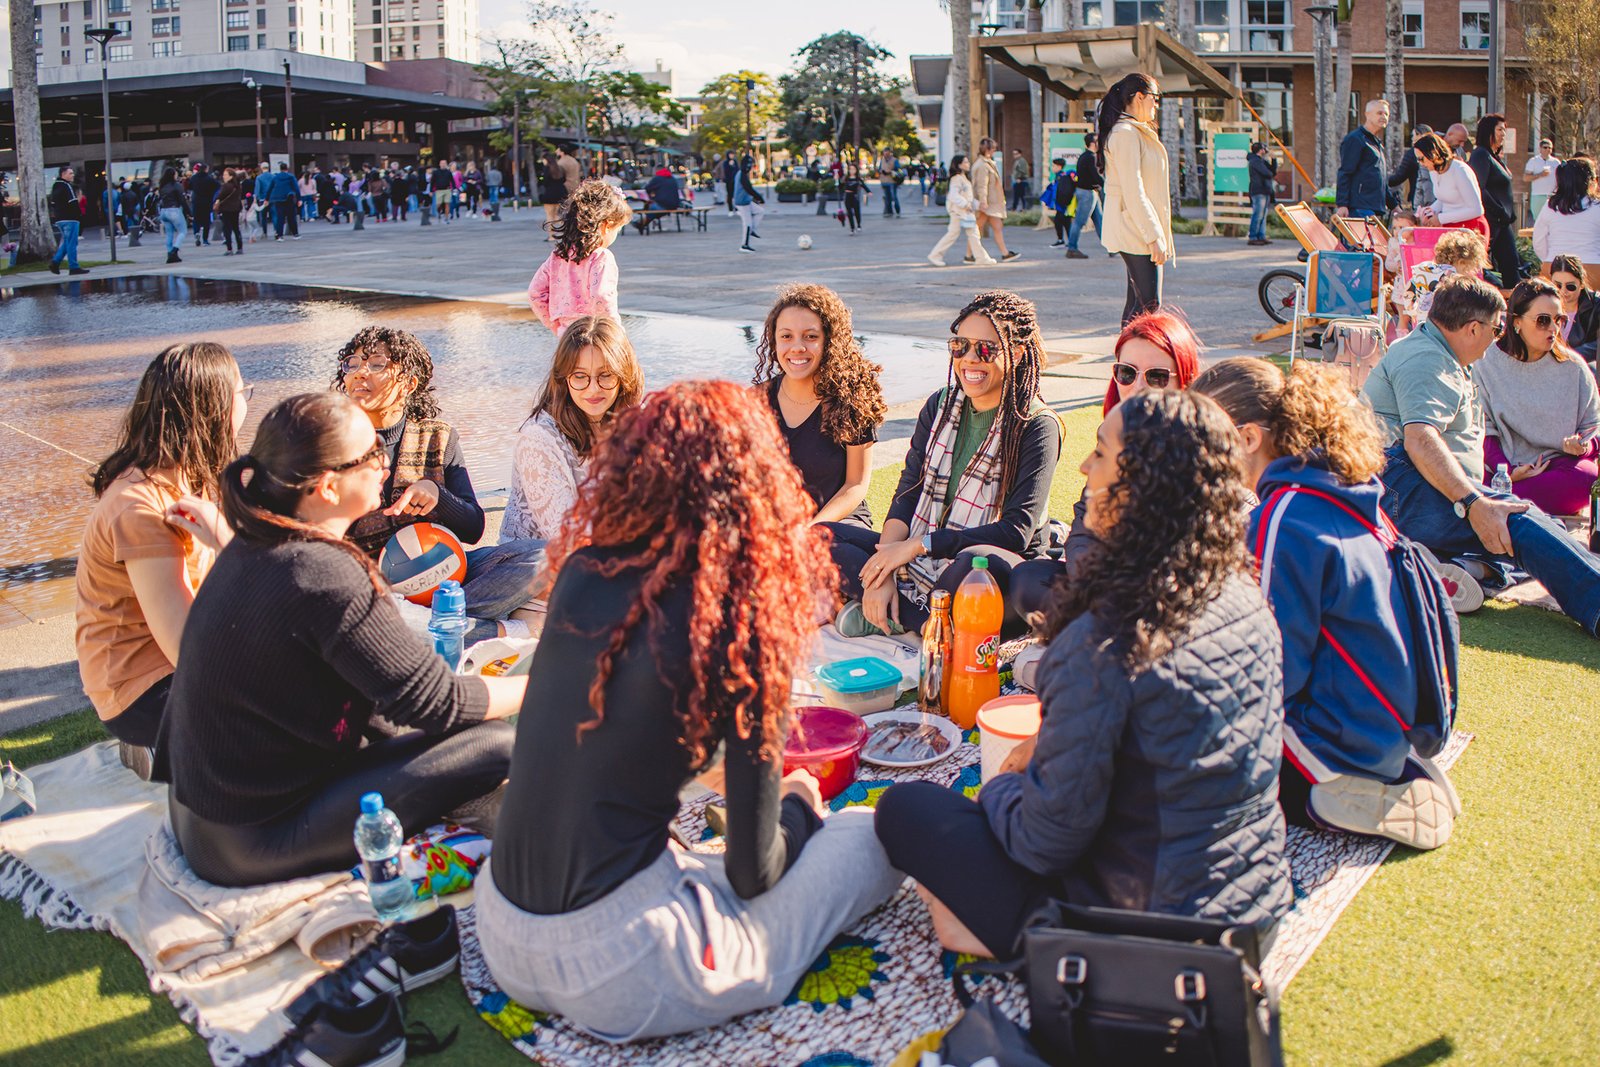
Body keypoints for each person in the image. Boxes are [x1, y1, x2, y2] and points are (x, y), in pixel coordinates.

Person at [476, 381, 902, 1041]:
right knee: (876, 832)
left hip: (501, 927)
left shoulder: (583, 571)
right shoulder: (738, 622)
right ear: (756, 489)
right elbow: (754, 872)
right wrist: (797, 805)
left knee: (686, 860)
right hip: (624, 968)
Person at [874, 389, 1291, 960]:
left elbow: (1043, 842)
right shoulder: (1244, 596)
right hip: (1252, 912)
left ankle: (1005, 934)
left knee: (909, 808)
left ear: (1139, 483)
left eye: (1100, 453)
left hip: (1151, 935)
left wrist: (1001, 787)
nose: (1084, 469)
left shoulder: (1106, 636)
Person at [155, 392, 521, 887]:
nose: (385, 463)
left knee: (413, 730)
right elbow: (441, 704)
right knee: (495, 743)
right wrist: (548, 683)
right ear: (328, 486)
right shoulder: (324, 571)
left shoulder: (257, 541)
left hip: (201, 819)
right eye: (372, 455)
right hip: (253, 840)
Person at [1191, 358, 1461, 848]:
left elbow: (1268, 670)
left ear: (1247, 438)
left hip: (1330, 740)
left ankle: (1330, 790)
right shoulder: (1344, 492)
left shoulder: (1282, 515)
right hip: (1384, 729)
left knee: (1178, 750)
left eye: (1203, 439)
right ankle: (1393, 773)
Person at [1361, 276, 1600, 634]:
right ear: (1473, 328)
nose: (1498, 338)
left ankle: (1450, 566)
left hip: (1403, 481)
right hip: (1396, 481)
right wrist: (1475, 503)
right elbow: (1420, 440)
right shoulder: (1428, 359)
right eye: (1497, 328)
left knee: (1536, 528)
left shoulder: (1439, 351)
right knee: (1515, 522)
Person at [827, 290, 1060, 638]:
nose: (969, 359)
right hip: (924, 553)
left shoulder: (1036, 425)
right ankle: (918, 618)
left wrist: (919, 546)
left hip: (996, 567)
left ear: (1016, 353)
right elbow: (908, 491)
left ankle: (898, 614)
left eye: (986, 349)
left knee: (974, 565)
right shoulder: (940, 406)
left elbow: (1016, 531)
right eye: (959, 346)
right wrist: (883, 568)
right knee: (821, 537)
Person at [75, 343, 247, 778]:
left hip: (177, 666)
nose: (246, 404)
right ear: (215, 409)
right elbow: (184, 648)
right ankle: (161, 749)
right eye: (242, 393)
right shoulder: (139, 507)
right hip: (142, 690)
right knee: (289, 717)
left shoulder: (188, 479)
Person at [333, 327, 547, 642]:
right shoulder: (332, 442)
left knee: (545, 557)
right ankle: (497, 630)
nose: (359, 373)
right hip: (371, 587)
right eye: (352, 364)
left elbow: (473, 529)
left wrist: (438, 496)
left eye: (376, 364)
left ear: (408, 383)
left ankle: (418, 630)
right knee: (350, 607)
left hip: (447, 575)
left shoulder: (438, 436)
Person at [1010, 309, 1202, 621]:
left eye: (1156, 377)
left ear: (1185, 381)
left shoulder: (1198, 449)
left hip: (1162, 591)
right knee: (1026, 578)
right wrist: (1093, 580)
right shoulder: (1115, 433)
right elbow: (1084, 524)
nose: (1138, 388)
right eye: (1127, 373)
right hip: (1103, 579)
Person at [501, 316, 644, 545]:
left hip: (612, 549)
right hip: (538, 557)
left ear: (624, 376)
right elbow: (567, 538)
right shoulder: (538, 438)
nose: (593, 388)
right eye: (580, 376)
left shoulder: (637, 427)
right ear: (563, 378)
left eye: (605, 375)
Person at [754, 284, 886, 526]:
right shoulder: (754, 401)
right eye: (786, 336)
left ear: (829, 341)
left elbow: (855, 485)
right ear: (774, 341)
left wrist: (810, 529)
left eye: (811, 336)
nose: (797, 347)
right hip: (777, 527)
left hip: (838, 523)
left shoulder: (851, 399)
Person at [1474, 277, 1600, 516]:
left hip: (1558, 465)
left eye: (1559, 320)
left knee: (1586, 478)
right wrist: (1508, 471)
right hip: (1501, 466)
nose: (1553, 328)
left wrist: (1582, 447)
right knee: (1465, 471)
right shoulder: (1486, 361)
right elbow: (1483, 430)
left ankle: (1495, 500)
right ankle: (1500, 497)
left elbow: (1594, 431)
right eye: (1543, 320)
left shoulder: (1573, 367)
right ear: (1517, 322)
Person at [1100, 74, 1171, 324]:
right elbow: (1133, 189)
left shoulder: (1133, 132)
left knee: (1139, 305)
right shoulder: (1126, 134)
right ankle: (1134, 349)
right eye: (1155, 98)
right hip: (1134, 227)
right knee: (1148, 306)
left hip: (1135, 225)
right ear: (1140, 97)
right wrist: (1153, 235)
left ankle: (1127, 350)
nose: (1156, 105)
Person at [528, 180, 629, 338]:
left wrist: (555, 325)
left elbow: (535, 292)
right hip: (595, 335)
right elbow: (601, 297)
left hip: (566, 335)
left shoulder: (558, 256)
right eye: (617, 229)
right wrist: (614, 330)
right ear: (606, 226)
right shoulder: (601, 257)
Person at [1468, 113, 1524, 286]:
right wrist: (1498, 210)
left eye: (1505, 130)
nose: (1503, 134)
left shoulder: (1494, 156)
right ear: (1488, 131)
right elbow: (1479, 188)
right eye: (1500, 130)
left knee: (1511, 264)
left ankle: (1514, 298)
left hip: (1502, 221)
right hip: (1491, 220)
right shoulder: (1480, 155)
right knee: (1481, 264)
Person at [1396, 230, 1489, 333]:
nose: (1471, 273)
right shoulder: (1456, 280)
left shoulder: (1424, 269)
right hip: (1447, 328)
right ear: (1461, 262)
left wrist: (1412, 311)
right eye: (1469, 269)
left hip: (1423, 326)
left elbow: (1408, 293)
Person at [1414, 131, 1488, 241]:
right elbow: (1444, 198)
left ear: (1434, 154)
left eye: (1421, 159)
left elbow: (1476, 209)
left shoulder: (1460, 170)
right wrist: (1429, 211)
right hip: (1450, 228)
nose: (1420, 163)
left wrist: (1440, 218)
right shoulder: (1434, 171)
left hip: (1471, 228)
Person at [927, 155, 995, 267]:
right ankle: (935, 255)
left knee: (973, 234)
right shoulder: (957, 179)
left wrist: (978, 205)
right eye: (965, 162)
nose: (968, 164)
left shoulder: (963, 178)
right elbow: (953, 195)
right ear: (959, 165)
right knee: (954, 234)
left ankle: (981, 258)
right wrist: (966, 204)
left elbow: (968, 197)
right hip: (958, 212)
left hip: (965, 212)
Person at [1531, 156, 1600, 266]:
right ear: (1590, 181)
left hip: (1555, 265)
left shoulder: (1550, 206)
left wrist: (1549, 259)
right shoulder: (1596, 207)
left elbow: (1538, 241)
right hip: (1592, 265)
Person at [1336, 99, 1393, 220]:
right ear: (1367, 114)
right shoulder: (1355, 139)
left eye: (1386, 114)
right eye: (1379, 113)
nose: (1384, 117)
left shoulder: (1376, 143)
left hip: (1374, 207)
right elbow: (1345, 172)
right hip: (1359, 207)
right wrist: (1342, 204)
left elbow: (1380, 179)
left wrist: (1394, 205)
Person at [1549, 253, 1600, 365]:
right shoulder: (1543, 304)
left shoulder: (1596, 305)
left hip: (1583, 366)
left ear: (1581, 284)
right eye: (1558, 285)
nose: (1563, 291)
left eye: (1570, 286)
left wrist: (1569, 356)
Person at [972, 138, 1017, 262]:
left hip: (991, 203)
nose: (994, 151)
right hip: (988, 203)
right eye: (993, 148)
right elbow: (982, 185)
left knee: (995, 227)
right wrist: (983, 201)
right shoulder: (983, 165)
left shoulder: (985, 163)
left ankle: (1005, 253)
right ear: (987, 149)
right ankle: (970, 254)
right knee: (977, 229)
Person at [1066, 132, 1105, 260]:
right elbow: (1095, 176)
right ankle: (1072, 248)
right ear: (1093, 143)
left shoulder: (1084, 156)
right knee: (1079, 221)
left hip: (1088, 192)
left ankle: (1110, 247)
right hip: (1087, 193)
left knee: (1099, 221)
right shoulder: (1090, 157)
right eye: (1098, 141)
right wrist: (1106, 185)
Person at [48, 166, 87, 276]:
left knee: (67, 242)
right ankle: (73, 267)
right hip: (71, 218)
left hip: (60, 219)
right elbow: (73, 201)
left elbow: (52, 203)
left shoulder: (55, 186)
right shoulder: (67, 185)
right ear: (63, 174)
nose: (72, 175)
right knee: (72, 243)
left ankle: (55, 262)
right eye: (70, 173)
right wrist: (78, 214)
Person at [1388, 124, 1436, 210]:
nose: (1412, 138)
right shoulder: (1436, 152)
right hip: (1437, 197)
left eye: (1413, 135)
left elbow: (1399, 177)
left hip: (1420, 197)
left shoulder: (1413, 154)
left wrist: (1382, 181)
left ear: (1419, 135)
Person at [633, 166, 683, 233]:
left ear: (657, 170)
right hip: (675, 204)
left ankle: (641, 223)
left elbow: (648, 188)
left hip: (663, 204)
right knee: (655, 209)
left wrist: (652, 194)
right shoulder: (672, 178)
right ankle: (641, 223)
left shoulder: (657, 178)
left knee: (651, 208)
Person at [157, 167, 190, 265]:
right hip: (174, 210)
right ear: (173, 175)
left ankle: (170, 254)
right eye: (176, 174)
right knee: (183, 231)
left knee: (169, 234)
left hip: (164, 211)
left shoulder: (162, 186)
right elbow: (182, 200)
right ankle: (174, 251)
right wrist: (189, 212)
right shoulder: (176, 186)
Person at [1247, 141, 1278, 245]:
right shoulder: (1255, 161)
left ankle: (1261, 236)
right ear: (1260, 150)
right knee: (1258, 214)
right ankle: (1253, 237)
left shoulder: (1261, 161)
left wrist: (1274, 160)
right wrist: (1270, 173)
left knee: (1263, 215)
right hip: (1258, 191)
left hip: (1265, 190)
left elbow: (1273, 172)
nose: (1266, 150)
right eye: (1264, 148)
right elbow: (1267, 173)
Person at [733, 156, 766, 254]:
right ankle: (744, 245)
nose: (751, 167)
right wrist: (759, 198)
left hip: (746, 201)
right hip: (742, 203)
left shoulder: (741, 173)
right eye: (750, 165)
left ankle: (752, 230)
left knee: (760, 211)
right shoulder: (742, 175)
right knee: (747, 224)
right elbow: (748, 188)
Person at [1525, 138, 1562, 221]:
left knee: (1552, 220)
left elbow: (1560, 178)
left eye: (1550, 148)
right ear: (1540, 149)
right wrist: (1540, 175)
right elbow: (1526, 178)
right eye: (1545, 147)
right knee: (1538, 220)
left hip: (1552, 196)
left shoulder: (1556, 162)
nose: (1548, 149)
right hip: (1538, 195)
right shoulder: (1533, 161)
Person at [1044, 157, 1075, 248]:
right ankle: (1068, 241)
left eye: (1054, 166)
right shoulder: (1059, 177)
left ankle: (1063, 241)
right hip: (1062, 205)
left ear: (1059, 166)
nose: (1052, 168)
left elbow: (1063, 191)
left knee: (1061, 221)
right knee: (1065, 222)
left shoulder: (1063, 177)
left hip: (1063, 205)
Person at [537, 152, 566, 240]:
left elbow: (545, 182)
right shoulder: (559, 168)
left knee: (549, 216)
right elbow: (563, 179)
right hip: (560, 193)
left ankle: (551, 236)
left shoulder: (547, 169)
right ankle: (564, 232)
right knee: (558, 215)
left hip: (549, 194)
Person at [215, 168, 244, 256]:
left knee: (227, 229)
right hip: (236, 209)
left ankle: (229, 249)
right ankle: (240, 247)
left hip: (226, 209)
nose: (224, 176)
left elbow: (220, 196)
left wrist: (216, 202)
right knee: (236, 228)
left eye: (225, 175)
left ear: (231, 176)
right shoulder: (237, 186)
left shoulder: (226, 186)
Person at [189, 163, 218, 248]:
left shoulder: (194, 178)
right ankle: (205, 240)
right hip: (206, 201)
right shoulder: (209, 179)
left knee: (196, 219)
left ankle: (196, 233)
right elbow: (217, 186)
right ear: (206, 169)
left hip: (196, 201)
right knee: (206, 221)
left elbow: (190, 186)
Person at [268, 162, 299, 242]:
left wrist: (266, 199)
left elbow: (270, 188)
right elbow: (296, 188)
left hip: (278, 199)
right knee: (291, 217)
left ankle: (280, 235)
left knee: (280, 218)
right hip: (289, 198)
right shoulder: (291, 177)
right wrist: (299, 199)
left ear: (280, 169)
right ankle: (295, 234)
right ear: (287, 168)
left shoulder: (275, 177)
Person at [839, 164, 869, 235]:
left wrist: (868, 191)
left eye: (853, 169)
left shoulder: (858, 179)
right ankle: (852, 228)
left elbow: (863, 185)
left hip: (855, 196)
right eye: (850, 169)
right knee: (849, 213)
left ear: (856, 170)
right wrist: (837, 180)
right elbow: (840, 186)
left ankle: (858, 224)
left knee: (857, 212)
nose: (852, 171)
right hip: (847, 196)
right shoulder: (845, 178)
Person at [878, 148, 901, 218]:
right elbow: (879, 168)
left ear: (890, 153)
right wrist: (881, 171)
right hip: (884, 181)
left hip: (892, 181)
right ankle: (889, 211)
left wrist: (890, 171)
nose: (886, 155)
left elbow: (898, 169)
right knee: (887, 197)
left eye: (887, 153)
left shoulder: (894, 160)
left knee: (894, 196)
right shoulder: (882, 160)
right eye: (884, 153)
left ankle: (897, 210)